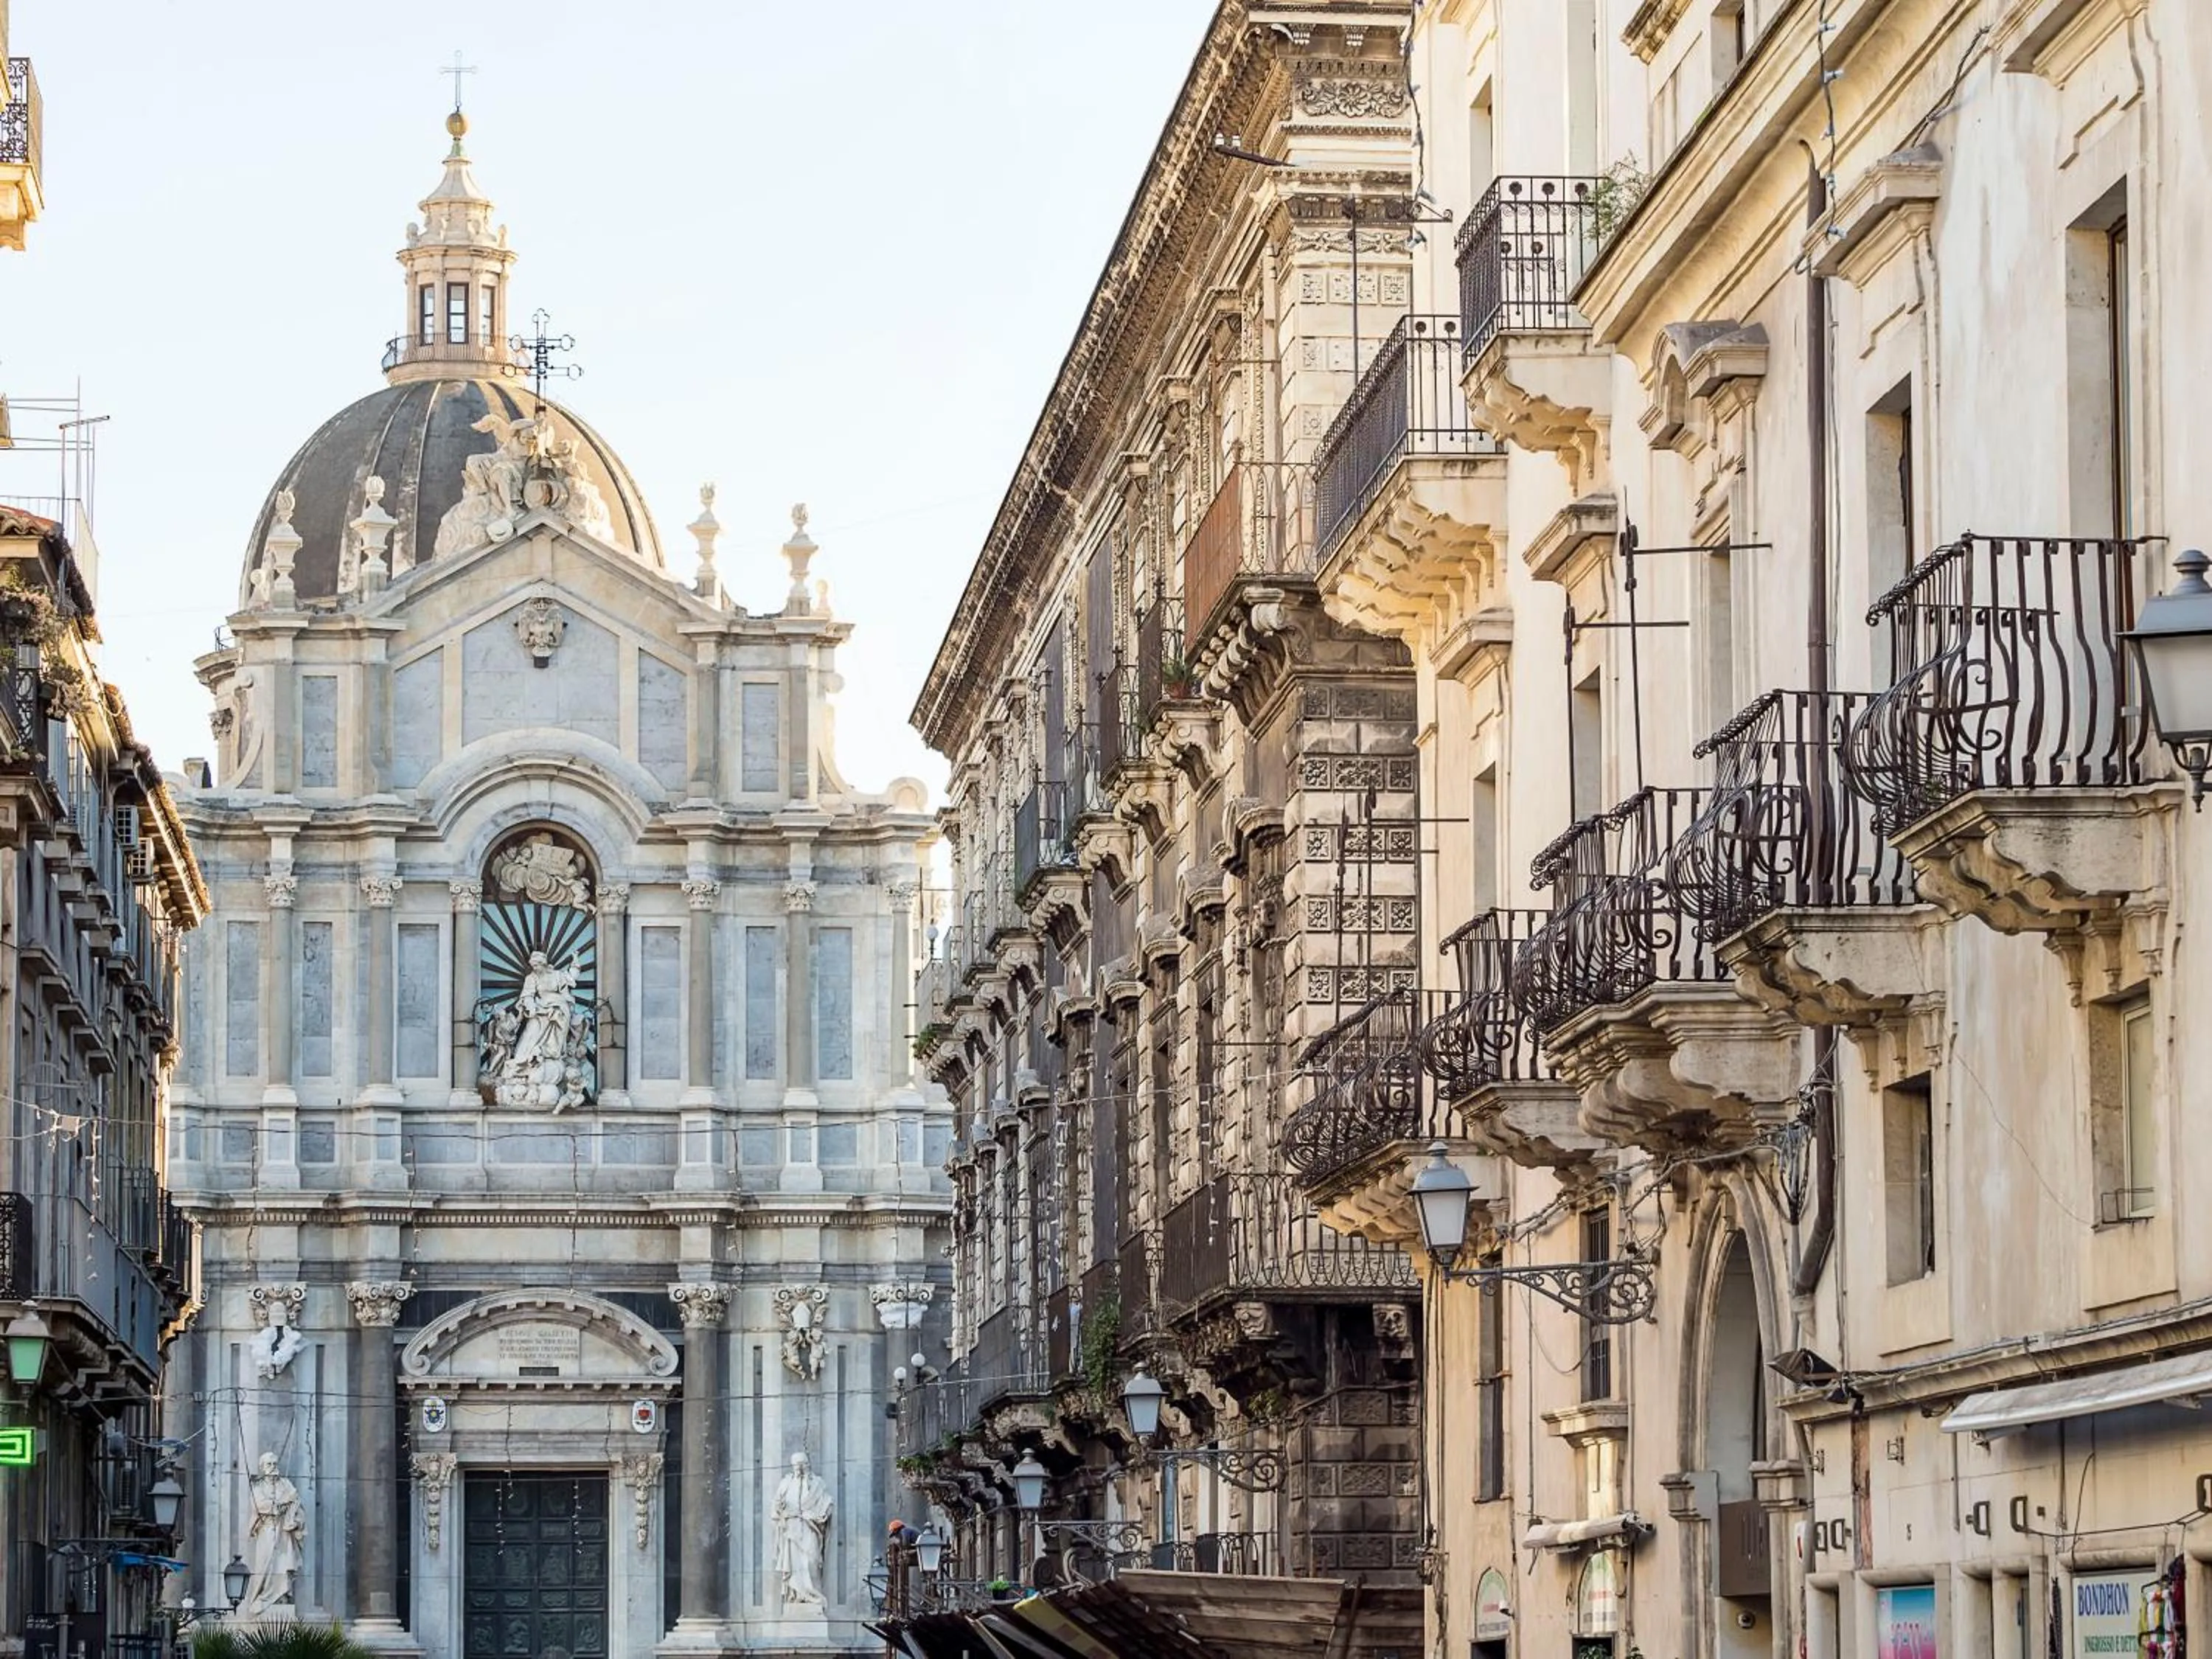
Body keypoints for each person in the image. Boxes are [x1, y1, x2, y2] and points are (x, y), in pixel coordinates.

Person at [240, 1450, 306, 1615]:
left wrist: (293, 1516)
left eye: (275, 1464)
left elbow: (296, 1502)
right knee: (266, 1566)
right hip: (267, 1531)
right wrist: (280, 1504)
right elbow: (259, 1505)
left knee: (284, 1566)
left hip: (284, 1532)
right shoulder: (258, 1486)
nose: (273, 1467)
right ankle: (263, 1597)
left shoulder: (286, 1484)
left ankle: (283, 1595)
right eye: (269, 1464)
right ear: (262, 1467)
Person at [771, 1452, 834, 1607]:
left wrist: (818, 1515)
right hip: (791, 1529)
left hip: (810, 1527)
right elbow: (775, 1506)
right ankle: (796, 1596)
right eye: (796, 1465)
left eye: (803, 1464)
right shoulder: (785, 1484)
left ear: (808, 1464)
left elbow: (827, 1503)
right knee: (794, 1566)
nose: (799, 1468)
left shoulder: (818, 1484)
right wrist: (780, 1510)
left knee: (811, 1562)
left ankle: (813, 1596)